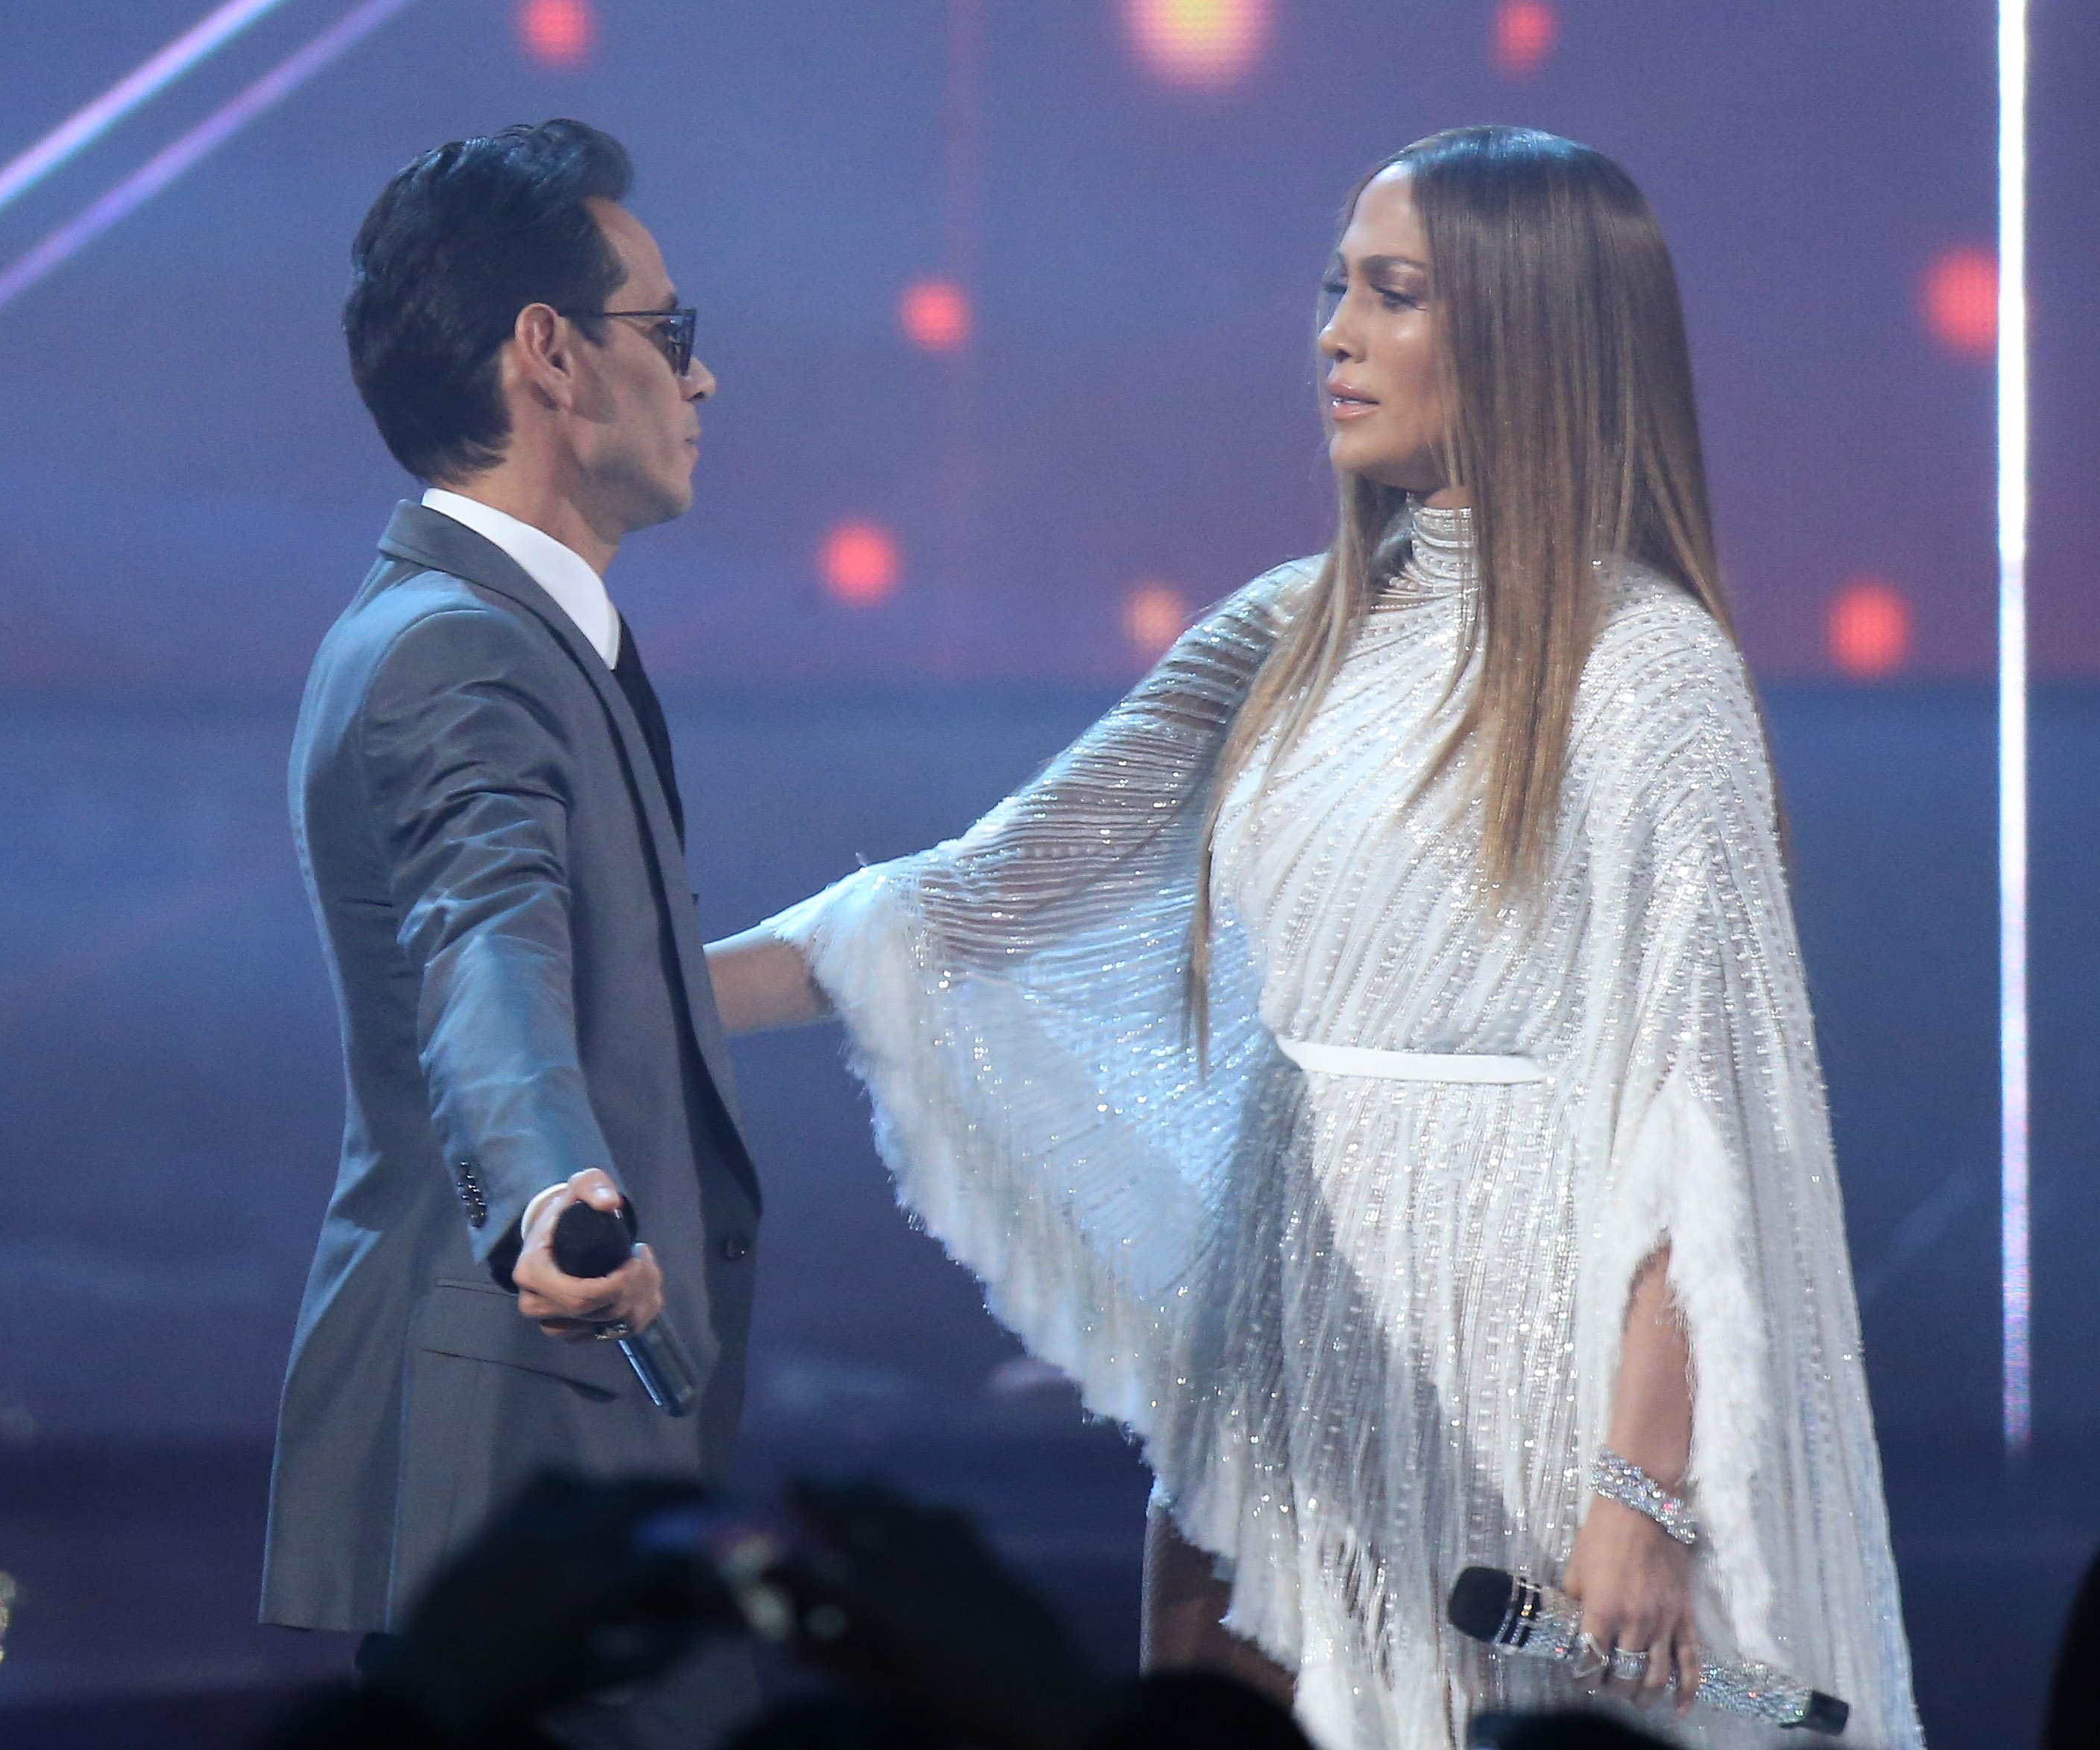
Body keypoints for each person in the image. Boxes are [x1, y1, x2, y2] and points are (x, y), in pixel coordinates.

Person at [705, 127, 1921, 1749]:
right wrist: (623, 996)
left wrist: (1643, 1492)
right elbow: (967, 897)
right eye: (1335, 286)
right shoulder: (1290, 629)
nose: (1335, 332)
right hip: (1276, 1362)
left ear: (1529, 329)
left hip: (1526, 1391)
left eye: (1395, 294)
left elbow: (1705, 1117)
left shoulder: (1649, 672)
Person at [261, 119, 762, 1750]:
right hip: (527, 1466)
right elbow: (483, 943)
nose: (700, 383)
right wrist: (553, 1187)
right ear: (548, 353)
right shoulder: (458, 657)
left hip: (545, 1475)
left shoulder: (485, 631)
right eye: (669, 333)